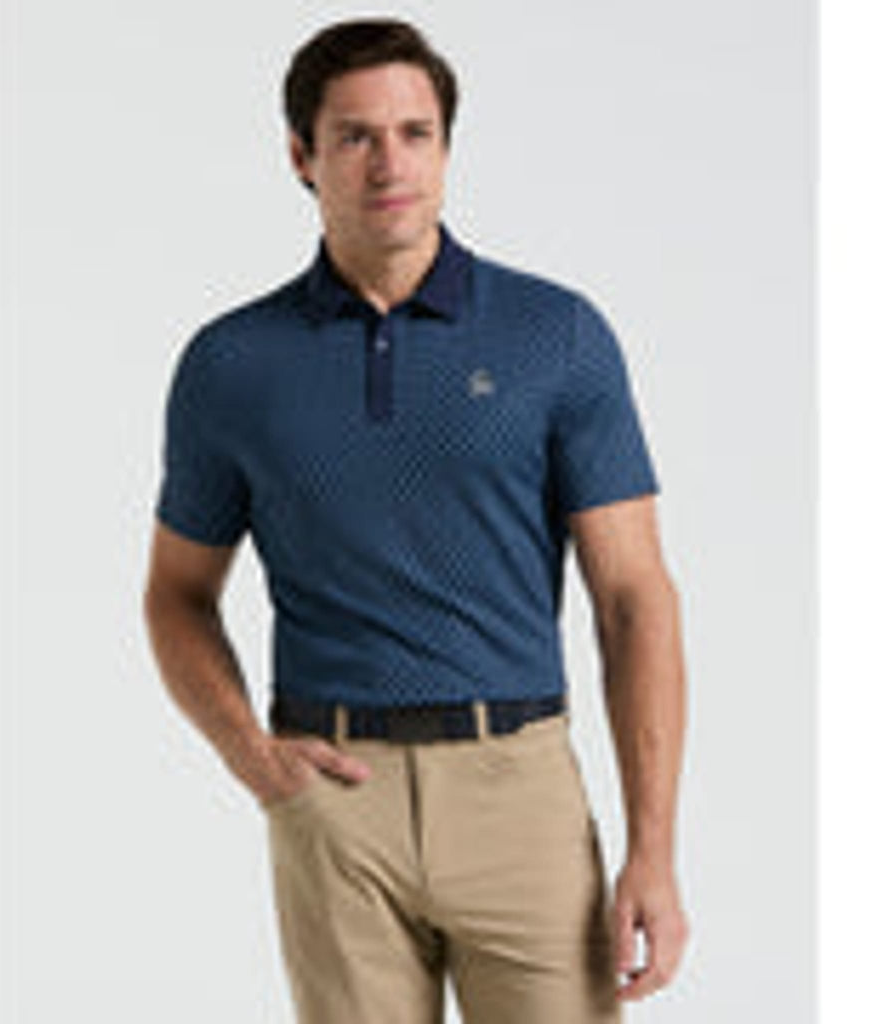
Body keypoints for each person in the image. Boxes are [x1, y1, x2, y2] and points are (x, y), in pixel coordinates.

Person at [144, 17, 688, 1024]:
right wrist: (251, 756)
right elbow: (177, 593)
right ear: (301, 155)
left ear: (445, 146)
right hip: (332, 798)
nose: (388, 163)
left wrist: (652, 849)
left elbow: (632, 598)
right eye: (354, 136)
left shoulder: (554, 336)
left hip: (517, 790)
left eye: (414, 133)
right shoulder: (232, 365)